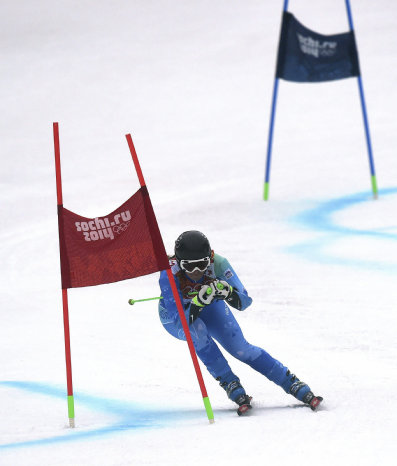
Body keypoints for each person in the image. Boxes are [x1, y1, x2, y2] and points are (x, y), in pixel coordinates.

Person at [158, 230, 323, 415]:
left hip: (210, 306)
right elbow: (179, 322)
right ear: (180, 263)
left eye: (202, 264)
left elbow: (245, 302)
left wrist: (229, 293)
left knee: (240, 348)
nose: (196, 272)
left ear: (209, 258)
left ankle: (290, 382)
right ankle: (230, 382)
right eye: (189, 266)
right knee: (197, 330)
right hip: (175, 318)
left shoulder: (218, 263)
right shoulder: (168, 274)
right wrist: (197, 302)